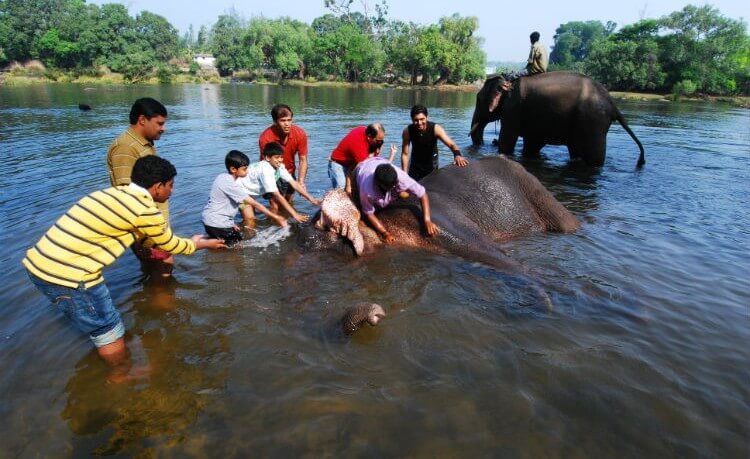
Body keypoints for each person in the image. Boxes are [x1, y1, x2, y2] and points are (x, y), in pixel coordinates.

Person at [23, 156, 227, 374]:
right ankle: (121, 376)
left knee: (105, 320)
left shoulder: (111, 193)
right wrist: (203, 244)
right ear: (158, 187)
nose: (172, 192)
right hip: (71, 275)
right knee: (106, 328)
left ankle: (119, 356)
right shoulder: (145, 210)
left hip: (40, 265)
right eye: (171, 186)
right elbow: (171, 245)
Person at [106, 97, 175, 277]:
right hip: (145, 226)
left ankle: (152, 298)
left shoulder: (143, 143)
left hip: (153, 223)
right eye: (159, 123)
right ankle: (163, 303)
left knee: (155, 270)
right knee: (165, 266)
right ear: (142, 120)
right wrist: (140, 239)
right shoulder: (125, 147)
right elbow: (126, 194)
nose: (163, 128)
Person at [202, 150, 288, 246]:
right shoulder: (232, 185)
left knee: (227, 243)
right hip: (217, 224)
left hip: (208, 221)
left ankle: (207, 243)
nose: (247, 171)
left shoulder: (221, 177)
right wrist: (276, 217)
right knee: (237, 248)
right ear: (233, 169)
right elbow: (254, 203)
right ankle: (202, 243)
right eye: (244, 169)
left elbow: (218, 204)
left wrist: (230, 224)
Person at [354, 156, 439, 244]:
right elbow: (369, 213)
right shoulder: (366, 189)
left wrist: (427, 220)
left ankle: (393, 193)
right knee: (361, 212)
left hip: (380, 163)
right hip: (362, 169)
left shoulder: (401, 177)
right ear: (379, 184)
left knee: (400, 193)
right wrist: (385, 233)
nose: (394, 187)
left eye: (395, 185)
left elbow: (422, 194)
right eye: (390, 187)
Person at [240, 142, 319, 228]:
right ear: (267, 158)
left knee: (253, 217)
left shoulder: (279, 167)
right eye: (277, 157)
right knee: (250, 220)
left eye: (281, 157)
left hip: (251, 190)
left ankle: (269, 228)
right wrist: (295, 214)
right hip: (241, 190)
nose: (280, 160)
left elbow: (294, 184)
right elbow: (277, 195)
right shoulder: (266, 170)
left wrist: (312, 199)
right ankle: (247, 239)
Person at [258, 104, 309, 210]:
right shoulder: (266, 138)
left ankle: (288, 223)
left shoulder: (300, 134)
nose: (287, 124)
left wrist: (300, 181)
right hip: (271, 173)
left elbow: (303, 160)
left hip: (289, 171)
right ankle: (275, 224)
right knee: (275, 204)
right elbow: (267, 165)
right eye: (283, 120)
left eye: (289, 120)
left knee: (288, 202)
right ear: (275, 122)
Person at [401, 104, 468, 181]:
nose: (419, 123)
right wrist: (404, 174)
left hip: (431, 164)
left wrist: (457, 155)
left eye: (422, 119)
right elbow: (405, 154)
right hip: (415, 164)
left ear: (427, 117)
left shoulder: (435, 129)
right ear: (412, 119)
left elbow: (451, 144)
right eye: (416, 120)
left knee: (431, 189)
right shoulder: (407, 131)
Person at [328, 123, 397, 194]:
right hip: (338, 164)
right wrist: (348, 186)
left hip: (350, 163)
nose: (380, 143)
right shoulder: (358, 146)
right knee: (341, 191)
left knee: (353, 190)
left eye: (382, 140)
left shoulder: (367, 132)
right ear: (369, 137)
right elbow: (369, 169)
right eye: (378, 141)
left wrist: (391, 155)